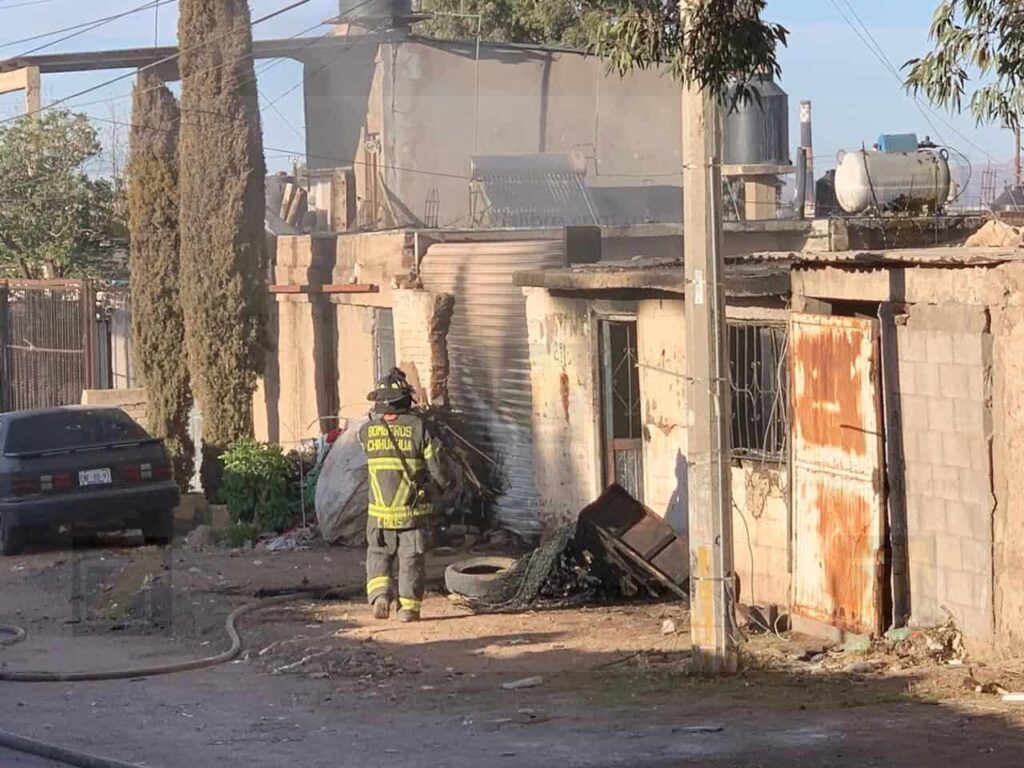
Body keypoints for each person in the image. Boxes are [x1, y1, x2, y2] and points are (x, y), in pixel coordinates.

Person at [359, 368, 447, 622]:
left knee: (378, 554)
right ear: (405, 400)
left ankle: (380, 596)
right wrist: (444, 486)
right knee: (411, 559)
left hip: (378, 514)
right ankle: (408, 608)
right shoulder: (419, 428)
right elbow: (437, 467)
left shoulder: (367, 431)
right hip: (411, 512)